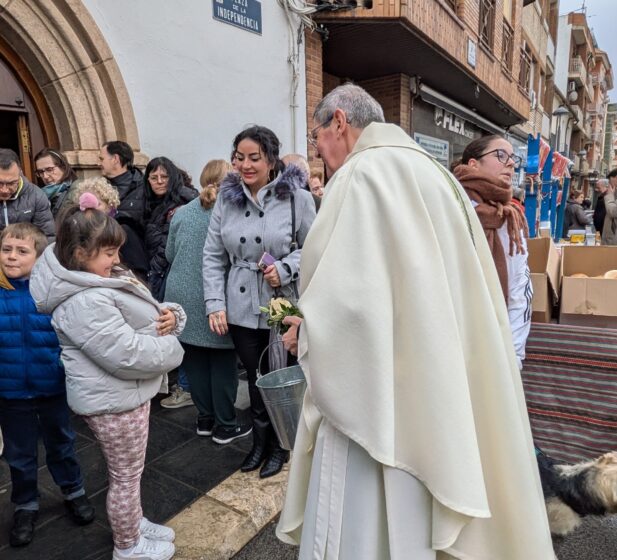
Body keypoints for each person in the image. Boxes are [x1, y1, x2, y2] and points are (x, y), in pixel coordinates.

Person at [277, 84, 554, 559]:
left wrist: (308, 327)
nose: (319, 150)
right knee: (422, 499)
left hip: (377, 387)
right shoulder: (435, 175)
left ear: (339, 122)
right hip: (436, 369)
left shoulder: (360, 175)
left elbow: (349, 305)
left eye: (318, 135)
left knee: (368, 515)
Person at [30, 194, 185, 560]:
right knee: (125, 477)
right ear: (80, 253)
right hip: (114, 400)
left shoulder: (97, 277)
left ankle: (133, 522)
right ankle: (127, 545)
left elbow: (143, 312)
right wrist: (175, 348)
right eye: (109, 252)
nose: (117, 260)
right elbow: (126, 354)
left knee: (131, 474)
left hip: (123, 395)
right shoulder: (83, 300)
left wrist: (171, 318)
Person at [203, 126, 316, 479]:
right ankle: (259, 442)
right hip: (239, 302)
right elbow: (212, 254)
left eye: (255, 158)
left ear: (271, 159)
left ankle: (281, 446)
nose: (246, 165)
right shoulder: (227, 197)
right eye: (240, 158)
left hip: (280, 302)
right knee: (253, 376)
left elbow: (315, 249)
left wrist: (284, 268)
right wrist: (214, 303)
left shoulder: (297, 197)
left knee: (279, 374)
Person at [0, 223, 95, 547]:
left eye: (21, 251)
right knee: (20, 454)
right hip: (11, 391)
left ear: (39, 258)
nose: (12, 256)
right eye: (6, 249)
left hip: (51, 386)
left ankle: (74, 491)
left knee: (61, 444)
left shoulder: (52, 293)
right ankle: (25, 504)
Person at [165, 160, 248, 443]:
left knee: (195, 361)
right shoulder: (233, 211)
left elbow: (168, 253)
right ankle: (226, 425)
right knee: (223, 361)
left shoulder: (181, 212)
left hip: (181, 294)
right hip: (215, 294)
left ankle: (204, 419)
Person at [452, 134, 532, 368]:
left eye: (512, 157)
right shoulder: (448, 208)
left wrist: (514, 355)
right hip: (449, 345)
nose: (510, 163)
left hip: (494, 346)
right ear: (473, 164)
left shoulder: (510, 219)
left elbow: (519, 288)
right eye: (500, 155)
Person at [142, 157, 198, 302]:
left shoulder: (181, 203)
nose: (159, 181)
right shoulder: (149, 203)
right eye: (154, 177)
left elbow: (166, 246)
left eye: (164, 177)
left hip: (172, 273)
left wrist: (154, 274)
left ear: (172, 178)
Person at [100, 140, 147, 277]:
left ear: (115, 159)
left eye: (102, 159)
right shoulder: (100, 188)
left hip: (137, 265)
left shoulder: (143, 188)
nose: (99, 163)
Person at [0, 148, 55, 241]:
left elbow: (46, 237)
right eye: (0, 183)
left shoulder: (36, 196)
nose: (4, 190)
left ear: (20, 173)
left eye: (11, 183)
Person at [33, 148, 77, 216]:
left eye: (49, 169)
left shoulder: (78, 192)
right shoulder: (39, 196)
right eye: (40, 172)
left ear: (63, 167)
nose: (45, 176)